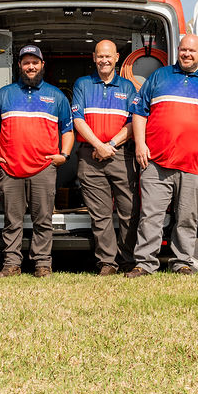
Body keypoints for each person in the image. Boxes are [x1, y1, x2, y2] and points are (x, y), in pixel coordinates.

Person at [126, 34, 198, 278]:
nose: (187, 54)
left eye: (192, 51)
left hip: (197, 165)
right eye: (183, 50)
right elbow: (139, 112)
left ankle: (182, 261)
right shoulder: (159, 76)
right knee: (150, 217)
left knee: (187, 217)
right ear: (178, 50)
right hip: (157, 162)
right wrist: (140, 144)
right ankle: (144, 264)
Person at [0, 45, 73, 278]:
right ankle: (11, 264)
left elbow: (68, 129)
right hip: (10, 167)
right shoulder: (4, 94)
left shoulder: (56, 96)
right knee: (11, 220)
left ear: (43, 65)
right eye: (26, 62)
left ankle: (42, 264)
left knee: (43, 220)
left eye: (35, 62)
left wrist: (63, 154)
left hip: (43, 168)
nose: (31, 66)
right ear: (20, 66)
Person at [70, 39, 138, 275]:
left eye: (108, 56)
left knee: (129, 211)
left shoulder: (128, 87)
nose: (104, 60)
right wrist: (98, 145)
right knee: (100, 215)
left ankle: (129, 260)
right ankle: (107, 263)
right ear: (94, 57)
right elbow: (77, 119)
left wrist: (109, 144)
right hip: (90, 156)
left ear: (117, 57)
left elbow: (133, 123)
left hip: (120, 155)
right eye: (100, 56)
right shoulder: (83, 84)